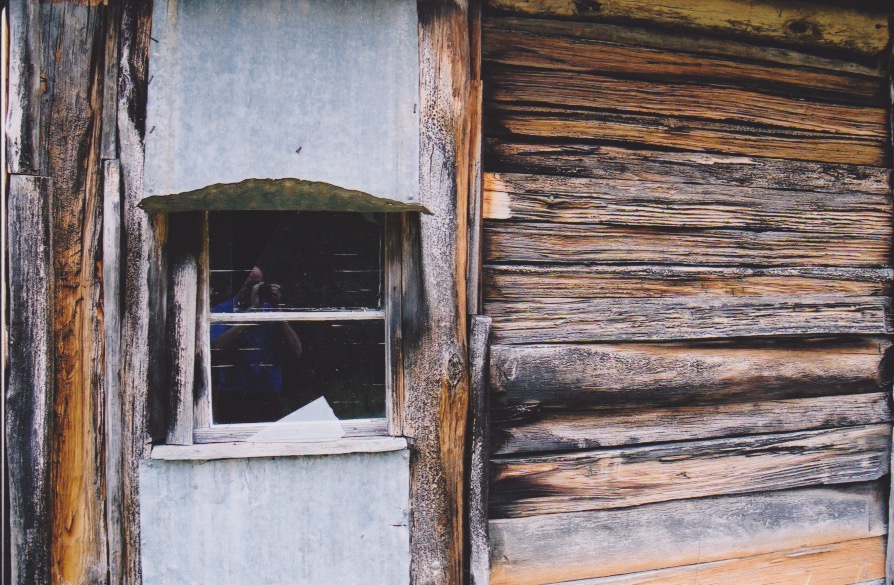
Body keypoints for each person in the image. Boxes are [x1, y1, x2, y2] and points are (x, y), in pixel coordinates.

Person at [210, 266, 303, 423]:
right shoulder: (223, 311)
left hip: (269, 396)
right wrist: (251, 314)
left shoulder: (271, 312)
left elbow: (296, 351)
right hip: (233, 396)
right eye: (250, 285)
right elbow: (217, 349)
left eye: (259, 284)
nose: (255, 289)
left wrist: (277, 310)